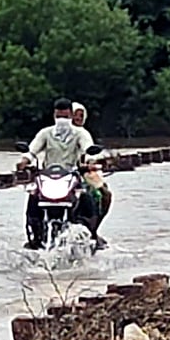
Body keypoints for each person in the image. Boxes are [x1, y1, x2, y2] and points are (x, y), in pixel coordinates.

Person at [18, 97, 102, 249]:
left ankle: (92, 233)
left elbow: (88, 149)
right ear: (54, 115)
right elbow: (32, 150)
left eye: (65, 116)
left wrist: (90, 161)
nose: (62, 120)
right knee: (33, 197)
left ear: (71, 115)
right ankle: (34, 235)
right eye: (58, 116)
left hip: (72, 175)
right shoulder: (45, 133)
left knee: (88, 198)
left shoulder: (80, 133)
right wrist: (24, 161)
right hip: (47, 177)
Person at [73, 102, 112, 248]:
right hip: (58, 174)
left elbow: (88, 151)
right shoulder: (54, 133)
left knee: (105, 193)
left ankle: (94, 230)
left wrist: (91, 163)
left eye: (81, 116)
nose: (78, 118)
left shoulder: (83, 134)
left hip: (81, 172)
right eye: (75, 115)